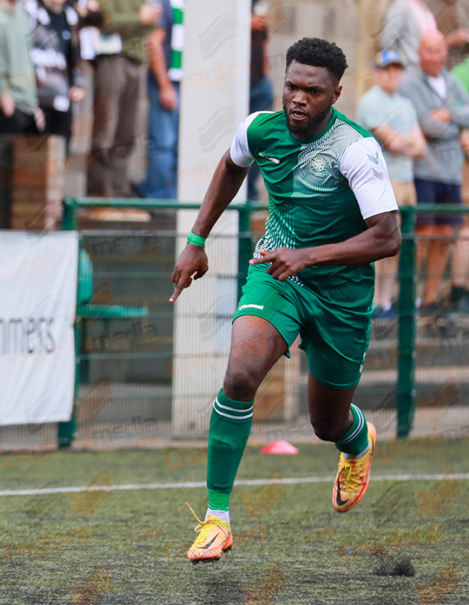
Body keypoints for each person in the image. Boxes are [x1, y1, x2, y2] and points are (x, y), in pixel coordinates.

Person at [171, 38, 400, 562]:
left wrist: (311, 256)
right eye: (292, 87)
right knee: (239, 375)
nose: (298, 98)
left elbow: (387, 237)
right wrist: (197, 241)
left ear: (335, 93)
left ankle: (356, 441)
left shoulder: (357, 149)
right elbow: (231, 166)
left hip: (342, 294)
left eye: (312, 91)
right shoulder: (260, 129)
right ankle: (217, 518)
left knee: (326, 423)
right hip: (276, 273)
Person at [399, 30, 469, 317]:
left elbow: (466, 113)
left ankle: (428, 301)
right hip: (425, 171)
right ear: (419, 53)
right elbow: (425, 125)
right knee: (422, 237)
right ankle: (408, 299)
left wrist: (446, 115)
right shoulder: (409, 84)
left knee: (444, 237)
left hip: (451, 174)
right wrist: (453, 121)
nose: (435, 57)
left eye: (439, 51)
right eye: (429, 51)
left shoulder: (452, 81)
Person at [357, 50, 427, 319]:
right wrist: (405, 142)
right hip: (383, 181)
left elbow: (420, 146)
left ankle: (387, 300)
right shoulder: (370, 101)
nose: (392, 74)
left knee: (402, 244)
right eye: (387, 69)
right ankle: (375, 301)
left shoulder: (406, 103)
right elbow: (394, 142)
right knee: (382, 242)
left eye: (397, 69)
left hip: (407, 181)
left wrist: (404, 142)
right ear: (377, 72)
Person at [87, 0, 160, 197]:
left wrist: (133, 23)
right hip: (111, 59)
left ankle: (119, 193)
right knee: (105, 132)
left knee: (126, 134)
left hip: (136, 61)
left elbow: (153, 21)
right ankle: (98, 193)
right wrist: (138, 19)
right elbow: (103, 20)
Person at [23, 0, 86, 146]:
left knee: (61, 144)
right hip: (34, 98)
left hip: (61, 97)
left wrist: (78, 83)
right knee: (31, 152)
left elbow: (75, 54)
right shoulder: (30, 12)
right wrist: (29, 102)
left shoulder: (69, 15)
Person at [0, 0, 45, 135]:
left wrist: (33, 105)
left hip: (26, 106)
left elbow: (28, 62)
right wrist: (4, 96)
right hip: (5, 107)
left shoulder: (23, 19)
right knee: (5, 156)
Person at [139, 0, 182, 199]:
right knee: (163, 142)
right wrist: (164, 86)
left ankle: (172, 197)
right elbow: (153, 43)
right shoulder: (165, 4)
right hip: (167, 82)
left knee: (176, 145)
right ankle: (159, 198)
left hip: (183, 84)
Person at [247, 0, 274, 202]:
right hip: (233, 85)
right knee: (239, 142)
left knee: (261, 142)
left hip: (259, 82)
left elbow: (264, 37)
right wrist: (245, 24)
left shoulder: (258, 3)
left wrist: (266, 70)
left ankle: (250, 194)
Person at [380, 0, 439, 69]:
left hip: (425, 69)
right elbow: (386, 41)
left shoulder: (421, 4)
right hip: (410, 68)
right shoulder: (401, 5)